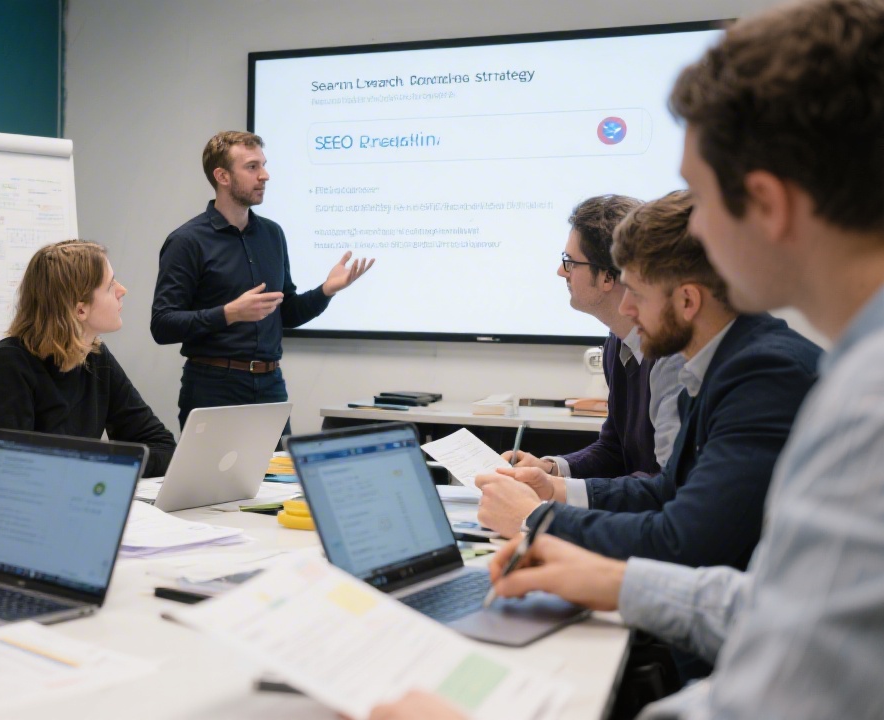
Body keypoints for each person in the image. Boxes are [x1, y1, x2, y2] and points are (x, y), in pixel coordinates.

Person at [371, 1, 884, 716]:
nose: (692, 228)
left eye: (701, 198)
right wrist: (609, 578)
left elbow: (785, 693)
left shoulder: (855, 399)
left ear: (766, 204)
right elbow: (790, 611)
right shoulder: (846, 370)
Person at [477, 190, 821, 570]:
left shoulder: (763, 375)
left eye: (637, 293)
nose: (626, 308)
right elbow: (668, 488)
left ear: (687, 302)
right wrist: (555, 487)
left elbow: (683, 539)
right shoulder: (715, 362)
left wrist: (537, 519)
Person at [151, 130, 374, 429]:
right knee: (213, 478)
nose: (265, 175)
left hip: (270, 386)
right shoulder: (187, 241)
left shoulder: (272, 234)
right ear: (223, 176)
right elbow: (162, 325)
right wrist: (229, 313)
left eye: (264, 165)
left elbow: (288, 312)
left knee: (279, 476)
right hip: (214, 387)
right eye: (252, 167)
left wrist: (326, 290)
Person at [0, 240, 176, 484]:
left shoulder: (96, 358)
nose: (123, 290)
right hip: (0, 517)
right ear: (80, 311)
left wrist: (98, 469)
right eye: (111, 286)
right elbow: (10, 476)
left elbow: (163, 447)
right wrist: (103, 467)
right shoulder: (6, 367)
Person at [508, 194, 684, 479]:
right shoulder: (617, 344)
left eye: (569, 262)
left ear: (607, 277)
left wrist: (557, 492)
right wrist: (552, 469)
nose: (560, 272)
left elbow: (666, 485)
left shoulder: (673, 357)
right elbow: (614, 449)